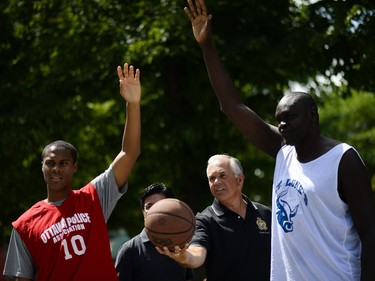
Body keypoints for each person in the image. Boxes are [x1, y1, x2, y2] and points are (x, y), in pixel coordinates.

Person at [183, 0, 375, 280]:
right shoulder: (283, 150)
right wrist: (207, 45)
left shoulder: (343, 159)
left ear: (312, 115)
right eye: (279, 119)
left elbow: (370, 233)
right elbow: (231, 106)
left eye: (290, 117)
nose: (282, 124)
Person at [2, 63, 142, 281]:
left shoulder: (92, 198)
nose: (56, 168)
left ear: (74, 167)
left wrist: (133, 104)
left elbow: (129, 152)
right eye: (50, 163)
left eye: (63, 163)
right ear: (42, 166)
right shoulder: (24, 224)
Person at [158, 154, 271, 281]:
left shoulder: (265, 213)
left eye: (222, 175)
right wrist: (184, 257)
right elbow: (197, 253)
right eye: (212, 178)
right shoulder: (204, 220)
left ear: (239, 179)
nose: (216, 182)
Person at [115, 182, 194, 281]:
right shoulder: (129, 250)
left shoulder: (181, 245)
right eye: (149, 206)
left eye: (160, 205)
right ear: (143, 212)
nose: (155, 210)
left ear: (172, 209)